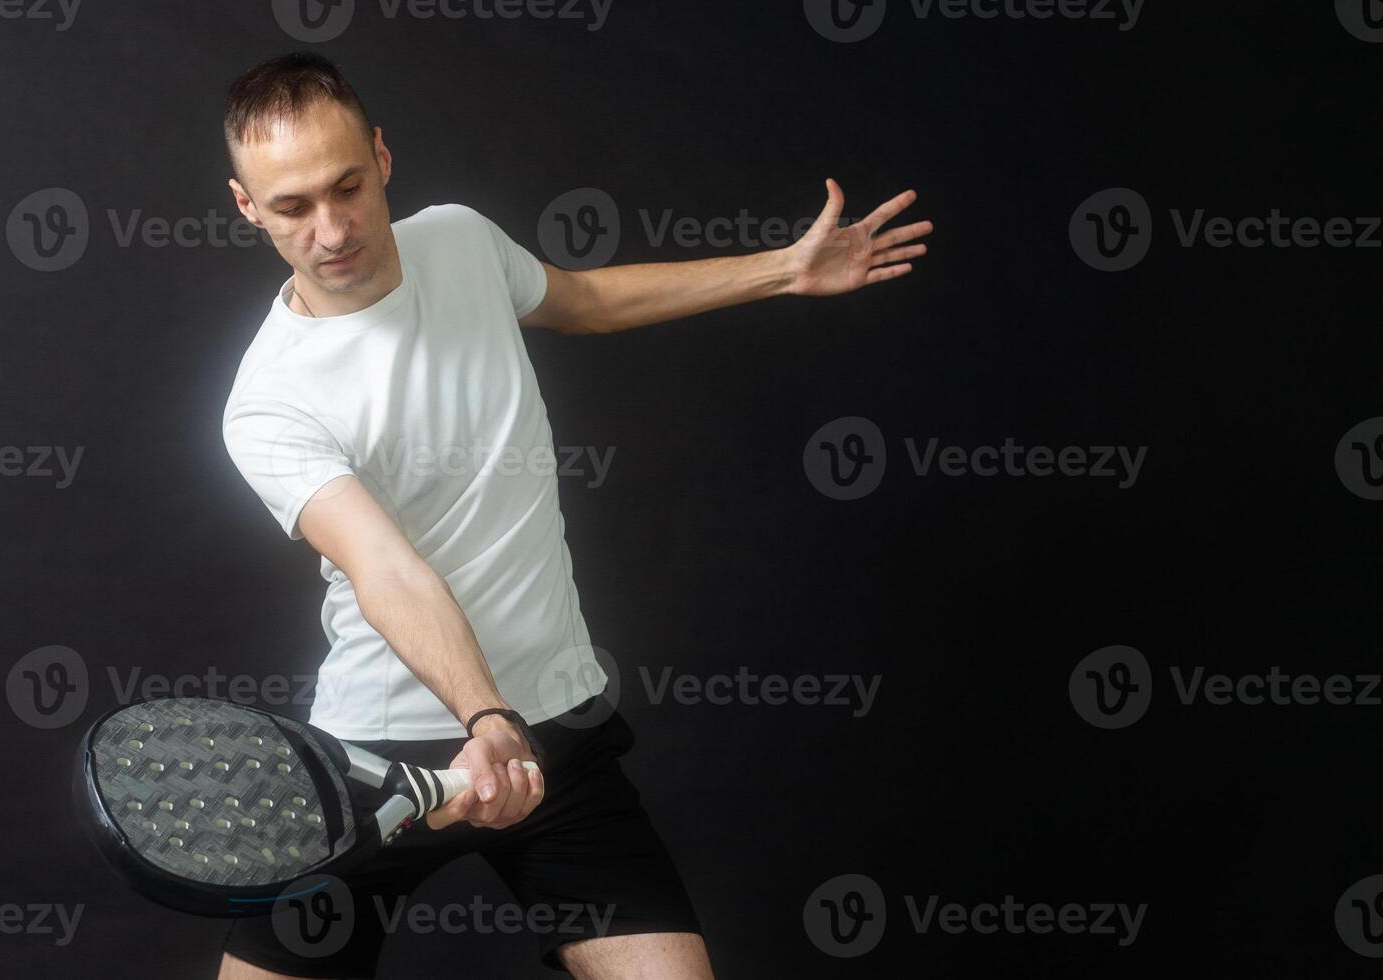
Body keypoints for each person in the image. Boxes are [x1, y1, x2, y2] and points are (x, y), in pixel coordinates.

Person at [217, 50, 931, 979]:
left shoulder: (462, 241)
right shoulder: (268, 402)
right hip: (378, 764)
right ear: (246, 206)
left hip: (551, 733)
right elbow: (386, 569)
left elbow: (583, 300)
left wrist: (782, 272)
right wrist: (483, 717)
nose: (333, 226)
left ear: (384, 157)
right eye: (292, 206)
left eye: (347, 185)